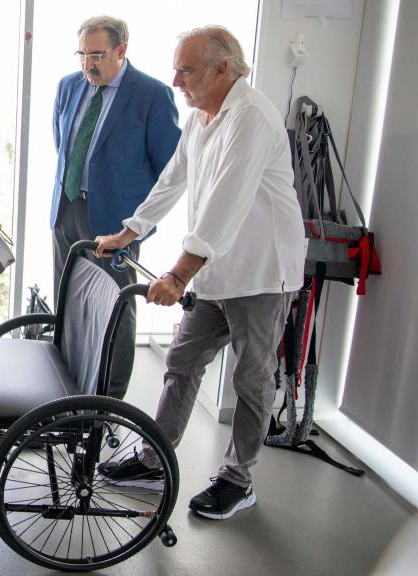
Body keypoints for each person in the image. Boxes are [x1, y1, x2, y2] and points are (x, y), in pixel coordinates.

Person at [95, 26, 306, 521]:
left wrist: (178, 275)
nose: (175, 80)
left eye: (185, 70)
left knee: (251, 379)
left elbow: (224, 207)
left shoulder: (250, 118)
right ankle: (154, 458)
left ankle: (238, 480)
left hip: (261, 272)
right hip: (216, 268)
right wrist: (130, 230)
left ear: (221, 69)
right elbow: (173, 178)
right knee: (183, 362)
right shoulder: (202, 117)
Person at [52, 16, 181, 400]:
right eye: (82, 54)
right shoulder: (69, 86)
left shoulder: (151, 95)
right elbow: (63, 144)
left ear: (121, 50)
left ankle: (108, 401)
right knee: (70, 303)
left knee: (115, 311)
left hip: (116, 221)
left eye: (96, 54)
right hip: (67, 209)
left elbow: (171, 169)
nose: (87, 64)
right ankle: (65, 387)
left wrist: (136, 224)